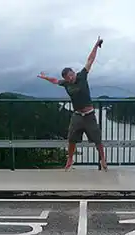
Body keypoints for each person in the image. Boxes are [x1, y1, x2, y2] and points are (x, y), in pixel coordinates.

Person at [38, 36, 107, 171]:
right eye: (67, 77)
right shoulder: (65, 84)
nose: (70, 77)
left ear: (74, 72)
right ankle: (70, 159)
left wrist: (96, 45)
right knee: (71, 139)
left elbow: (90, 60)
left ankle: (103, 159)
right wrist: (44, 77)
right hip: (77, 115)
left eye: (71, 74)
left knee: (97, 139)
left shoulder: (82, 76)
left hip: (89, 114)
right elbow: (54, 80)